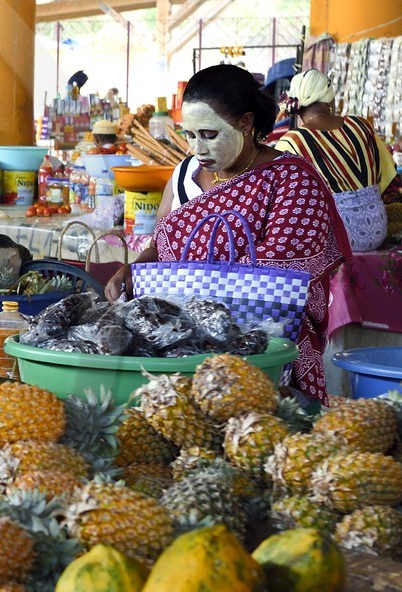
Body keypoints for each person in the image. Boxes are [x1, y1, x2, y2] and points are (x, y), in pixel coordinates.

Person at [105, 64, 350, 400]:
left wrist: (199, 300)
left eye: (209, 135)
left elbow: (282, 277)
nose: (197, 149)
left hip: (257, 351)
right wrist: (134, 268)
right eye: (190, 135)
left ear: (246, 124)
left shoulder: (292, 181)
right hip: (179, 348)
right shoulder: (186, 173)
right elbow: (160, 243)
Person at [271, 68, 396, 252]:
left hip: (335, 236)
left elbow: (285, 203)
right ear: (330, 99)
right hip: (378, 227)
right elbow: (385, 174)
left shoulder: (292, 141)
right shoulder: (361, 125)